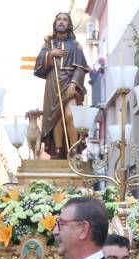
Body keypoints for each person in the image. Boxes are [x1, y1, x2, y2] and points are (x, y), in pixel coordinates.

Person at [33, 12, 89, 159]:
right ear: (55, 23)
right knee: (55, 118)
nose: (61, 22)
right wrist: (50, 54)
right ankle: (58, 150)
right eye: (59, 19)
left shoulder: (75, 46)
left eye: (65, 20)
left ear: (69, 25)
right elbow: (38, 66)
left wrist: (74, 83)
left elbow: (81, 67)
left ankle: (74, 149)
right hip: (53, 84)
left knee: (70, 115)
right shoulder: (48, 45)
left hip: (69, 83)